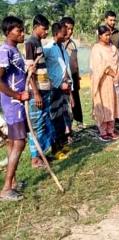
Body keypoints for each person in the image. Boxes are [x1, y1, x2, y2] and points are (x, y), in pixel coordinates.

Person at [0, 16, 31, 201]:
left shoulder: (14, 50)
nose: (22, 33)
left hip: (16, 103)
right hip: (13, 104)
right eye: (18, 30)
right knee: (19, 142)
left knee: (13, 141)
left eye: (22, 29)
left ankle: (12, 182)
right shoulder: (4, 51)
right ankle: (5, 189)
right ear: (7, 32)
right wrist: (17, 95)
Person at [25, 14, 54, 167]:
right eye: (44, 29)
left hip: (45, 89)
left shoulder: (38, 42)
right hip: (37, 92)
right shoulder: (30, 43)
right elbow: (30, 72)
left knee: (44, 122)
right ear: (36, 27)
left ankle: (42, 154)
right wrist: (35, 93)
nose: (46, 32)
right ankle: (35, 158)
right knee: (36, 125)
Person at [44, 22, 73, 158]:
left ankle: (61, 144)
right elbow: (44, 70)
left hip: (63, 87)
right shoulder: (48, 48)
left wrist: (67, 82)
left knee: (62, 116)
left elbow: (63, 68)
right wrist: (57, 83)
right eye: (63, 32)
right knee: (54, 117)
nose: (66, 34)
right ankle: (55, 148)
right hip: (54, 88)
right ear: (56, 33)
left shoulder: (62, 47)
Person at [90, 25, 119, 141]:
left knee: (112, 104)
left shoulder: (113, 48)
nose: (108, 37)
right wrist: (110, 72)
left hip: (113, 81)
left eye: (109, 35)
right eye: (106, 35)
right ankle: (103, 131)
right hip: (102, 81)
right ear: (100, 36)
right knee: (103, 105)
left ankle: (111, 130)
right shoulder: (96, 49)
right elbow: (98, 66)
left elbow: (118, 64)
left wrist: (117, 75)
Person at [61, 17, 84, 129]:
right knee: (65, 103)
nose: (70, 31)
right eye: (67, 28)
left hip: (73, 76)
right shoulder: (56, 43)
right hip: (62, 79)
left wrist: (77, 74)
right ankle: (66, 128)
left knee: (76, 100)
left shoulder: (73, 44)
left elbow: (75, 61)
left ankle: (79, 122)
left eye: (71, 29)